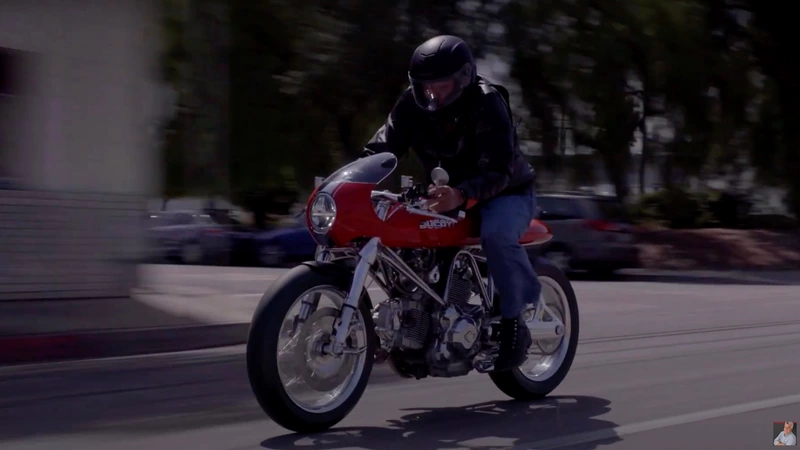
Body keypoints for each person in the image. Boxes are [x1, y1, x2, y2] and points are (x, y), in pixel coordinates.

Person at [361, 35, 540, 371]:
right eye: (425, 86)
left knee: (497, 235)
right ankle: (417, 332)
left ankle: (514, 325)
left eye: (441, 86)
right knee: (407, 241)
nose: (433, 94)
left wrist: (462, 194)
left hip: (505, 191)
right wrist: (355, 179)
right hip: (447, 195)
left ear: (463, 78)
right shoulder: (411, 106)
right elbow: (382, 148)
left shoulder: (487, 103)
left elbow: (500, 168)